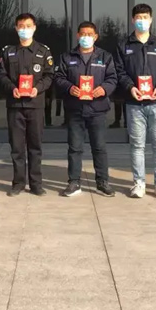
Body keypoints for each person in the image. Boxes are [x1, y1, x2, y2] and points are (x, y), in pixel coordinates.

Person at [115, 4, 156, 199]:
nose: (142, 21)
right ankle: (139, 182)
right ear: (133, 20)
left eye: (145, 17)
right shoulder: (124, 45)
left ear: (151, 20)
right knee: (137, 145)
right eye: (138, 17)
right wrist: (130, 88)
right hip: (134, 103)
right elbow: (119, 71)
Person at [54, 21, 118, 197]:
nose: (86, 37)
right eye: (83, 34)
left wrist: (104, 89)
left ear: (96, 37)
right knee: (75, 147)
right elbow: (58, 77)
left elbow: (113, 78)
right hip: (75, 108)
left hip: (98, 109)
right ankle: (74, 182)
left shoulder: (105, 57)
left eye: (89, 34)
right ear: (77, 36)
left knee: (99, 147)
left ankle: (102, 182)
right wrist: (69, 88)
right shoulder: (67, 57)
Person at [0, 13, 54, 196]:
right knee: (17, 147)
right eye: (21, 26)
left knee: (35, 147)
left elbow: (49, 75)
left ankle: (36, 184)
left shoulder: (43, 51)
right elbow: (1, 75)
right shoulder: (8, 52)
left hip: (35, 105)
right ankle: (18, 183)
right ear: (16, 28)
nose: (24, 29)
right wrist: (12, 88)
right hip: (15, 106)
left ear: (34, 28)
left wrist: (38, 88)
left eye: (28, 26)